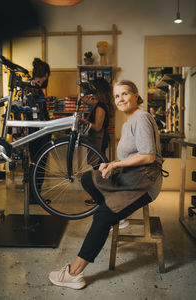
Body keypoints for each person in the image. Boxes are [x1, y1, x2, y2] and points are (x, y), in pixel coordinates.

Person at [48, 80, 163, 290]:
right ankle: (117, 214)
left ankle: (74, 274)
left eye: (125, 94)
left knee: (102, 217)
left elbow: (148, 156)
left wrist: (115, 164)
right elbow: (132, 156)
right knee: (87, 178)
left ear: (136, 96)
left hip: (145, 183)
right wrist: (109, 164)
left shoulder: (142, 118)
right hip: (131, 177)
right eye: (117, 96)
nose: (120, 99)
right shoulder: (129, 122)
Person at [81, 78, 113, 206]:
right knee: (97, 167)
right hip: (95, 140)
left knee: (98, 169)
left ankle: (99, 196)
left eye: (93, 88)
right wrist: (85, 91)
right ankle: (99, 195)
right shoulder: (97, 103)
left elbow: (98, 127)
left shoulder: (100, 107)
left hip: (99, 140)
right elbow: (84, 100)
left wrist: (86, 122)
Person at [27, 58, 51, 203]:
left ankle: (34, 196)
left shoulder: (30, 87)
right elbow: (38, 115)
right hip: (39, 133)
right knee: (38, 165)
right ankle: (35, 197)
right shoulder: (35, 91)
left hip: (34, 132)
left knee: (36, 164)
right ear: (46, 75)